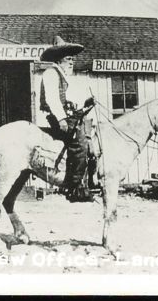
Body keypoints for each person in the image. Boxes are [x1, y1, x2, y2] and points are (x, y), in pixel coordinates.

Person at [39, 36, 93, 203]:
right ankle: (73, 186)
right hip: (56, 118)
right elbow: (52, 99)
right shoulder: (51, 73)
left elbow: (68, 102)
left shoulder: (63, 75)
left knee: (88, 128)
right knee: (79, 142)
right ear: (59, 59)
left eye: (72, 59)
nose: (72, 62)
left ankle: (88, 179)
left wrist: (85, 105)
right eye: (68, 59)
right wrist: (62, 119)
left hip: (66, 115)